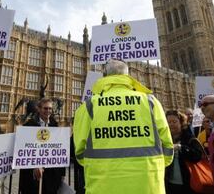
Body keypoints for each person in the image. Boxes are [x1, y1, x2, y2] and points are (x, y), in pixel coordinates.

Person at [73, 58, 174, 194]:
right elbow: (168, 145)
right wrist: (159, 165)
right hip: (148, 184)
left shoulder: (89, 105)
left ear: (105, 75)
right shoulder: (150, 101)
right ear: (127, 75)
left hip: (103, 185)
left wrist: (95, 165)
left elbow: (79, 150)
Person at [18, 98, 65, 194]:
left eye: (50, 109)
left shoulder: (55, 127)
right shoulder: (28, 126)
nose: (48, 111)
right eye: (45, 108)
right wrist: (33, 166)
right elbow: (23, 151)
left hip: (51, 177)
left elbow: (60, 151)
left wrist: (62, 173)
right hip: (33, 177)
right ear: (39, 109)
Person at [165, 110, 203, 193]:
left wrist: (180, 147)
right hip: (169, 184)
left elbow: (197, 156)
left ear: (181, 123)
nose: (171, 124)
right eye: (168, 122)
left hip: (188, 183)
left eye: (174, 121)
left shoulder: (189, 138)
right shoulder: (164, 140)